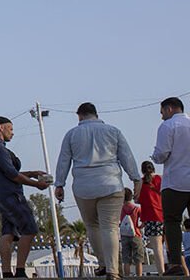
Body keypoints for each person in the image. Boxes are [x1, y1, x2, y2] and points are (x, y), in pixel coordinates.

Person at [54, 102, 141, 280]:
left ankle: (102, 263)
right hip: (111, 184)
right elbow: (127, 157)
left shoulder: (71, 134)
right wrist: (135, 178)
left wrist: (59, 184)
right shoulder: (113, 131)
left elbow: (64, 161)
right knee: (110, 227)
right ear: (96, 114)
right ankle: (112, 270)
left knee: (92, 226)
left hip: (84, 187)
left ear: (79, 115)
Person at [0, 116, 50, 278]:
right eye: (10, 129)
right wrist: (36, 184)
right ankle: (20, 270)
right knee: (30, 229)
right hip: (11, 195)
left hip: (0, 195)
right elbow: (12, 174)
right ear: (1, 128)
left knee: (8, 233)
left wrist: (32, 174)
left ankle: (6, 272)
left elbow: (6, 173)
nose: (13, 133)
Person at [151, 96, 190, 276]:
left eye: (162, 112)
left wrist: (154, 157)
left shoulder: (167, 126)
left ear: (169, 109)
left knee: (173, 221)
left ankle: (176, 263)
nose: (161, 116)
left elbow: (161, 154)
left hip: (175, 181)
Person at [138, 160, 165, 272]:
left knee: (157, 248)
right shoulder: (161, 179)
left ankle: (161, 272)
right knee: (172, 246)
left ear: (142, 170)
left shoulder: (141, 182)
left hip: (151, 217)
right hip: (165, 215)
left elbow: (137, 198)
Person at [119, 188, 145, 277]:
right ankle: (139, 276)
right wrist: (140, 227)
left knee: (126, 259)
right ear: (131, 197)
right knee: (138, 259)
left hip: (124, 236)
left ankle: (127, 276)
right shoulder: (136, 208)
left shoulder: (120, 209)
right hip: (136, 234)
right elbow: (144, 221)